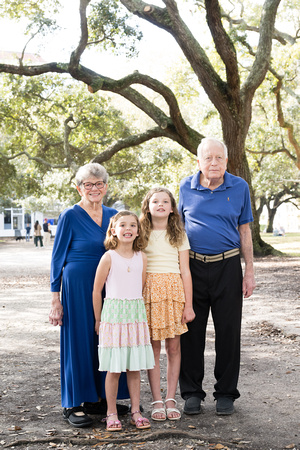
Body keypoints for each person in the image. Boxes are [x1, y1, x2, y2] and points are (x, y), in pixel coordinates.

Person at [179, 137, 256, 416]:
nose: (214, 163)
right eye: (208, 158)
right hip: (193, 268)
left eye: (219, 158)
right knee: (191, 332)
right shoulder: (185, 187)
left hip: (228, 267)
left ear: (227, 161)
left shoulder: (239, 187)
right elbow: (178, 229)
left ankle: (225, 393)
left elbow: (245, 231)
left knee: (228, 332)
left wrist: (249, 272)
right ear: (198, 161)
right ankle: (191, 393)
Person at [49, 163, 129, 428]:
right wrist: (55, 299)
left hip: (110, 286)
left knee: (107, 339)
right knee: (79, 340)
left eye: (99, 183)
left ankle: (99, 399)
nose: (94, 189)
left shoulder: (114, 215)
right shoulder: (70, 215)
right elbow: (57, 258)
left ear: (106, 186)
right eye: (88, 184)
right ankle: (73, 403)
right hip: (78, 286)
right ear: (78, 187)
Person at [93, 211, 154, 431]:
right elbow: (97, 290)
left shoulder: (142, 257)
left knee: (134, 367)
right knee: (114, 369)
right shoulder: (109, 257)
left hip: (135, 316)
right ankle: (111, 413)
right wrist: (99, 320)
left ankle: (136, 410)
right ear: (113, 230)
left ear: (138, 231)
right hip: (114, 316)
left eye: (132, 225)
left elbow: (142, 286)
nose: (128, 229)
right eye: (122, 225)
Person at [140, 187, 195, 422]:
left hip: (174, 292)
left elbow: (185, 271)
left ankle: (171, 398)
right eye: (155, 201)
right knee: (152, 349)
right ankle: (155, 399)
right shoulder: (140, 232)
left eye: (165, 201)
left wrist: (189, 305)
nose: (160, 204)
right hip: (149, 292)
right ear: (148, 206)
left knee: (173, 348)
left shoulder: (179, 233)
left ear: (172, 208)